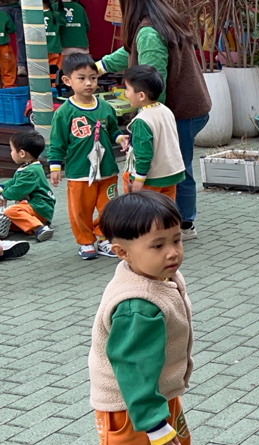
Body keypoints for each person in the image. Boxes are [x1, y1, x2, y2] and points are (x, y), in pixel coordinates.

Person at [90, 191, 216, 445]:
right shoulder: (137, 303)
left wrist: (161, 417)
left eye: (176, 239)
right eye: (158, 245)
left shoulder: (161, 276)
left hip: (159, 393)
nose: (172, 252)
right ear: (122, 252)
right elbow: (132, 368)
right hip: (129, 405)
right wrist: (152, 422)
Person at [97, 0, 212, 241]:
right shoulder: (163, 20)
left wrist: (146, 121)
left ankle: (182, 224)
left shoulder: (149, 31)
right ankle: (178, 221)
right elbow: (132, 52)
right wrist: (100, 66)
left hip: (179, 111)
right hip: (188, 108)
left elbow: (152, 79)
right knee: (178, 165)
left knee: (178, 168)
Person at [49, 53, 123, 260]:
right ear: (67, 80)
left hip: (107, 169)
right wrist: (55, 167)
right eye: (81, 78)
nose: (89, 83)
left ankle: (104, 238)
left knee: (108, 207)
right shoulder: (64, 112)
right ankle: (85, 241)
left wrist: (121, 139)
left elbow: (114, 131)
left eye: (93, 78)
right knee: (80, 209)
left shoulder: (106, 107)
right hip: (79, 171)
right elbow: (57, 142)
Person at [119, 65, 185, 200]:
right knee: (166, 208)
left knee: (140, 210)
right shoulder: (165, 110)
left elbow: (144, 153)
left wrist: (139, 178)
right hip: (171, 173)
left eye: (127, 89)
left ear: (141, 95)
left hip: (150, 178)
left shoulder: (141, 120)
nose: (126, 94)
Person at [1, 130, 55, 242]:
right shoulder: (28, 167)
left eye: (12, 150)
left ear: (22, 153)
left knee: (11, 212)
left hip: (40, 207)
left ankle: (39, 228)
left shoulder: (31, 171)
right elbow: (13, 182)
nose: (11, 153)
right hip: (34, 207)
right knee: (10, 218)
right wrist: (1, 188)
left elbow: (16, 192)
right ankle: (27, 226)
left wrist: (4, 195)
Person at [0, 0, 27, 76]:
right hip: (9, 6)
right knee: (20, 38)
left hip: (15, 6)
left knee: (21, 38)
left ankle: (21, 65)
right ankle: (21, 65)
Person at [43, 0, 63, 83]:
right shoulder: (55, 14)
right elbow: (64, 22)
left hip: (40, 50)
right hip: (55, 48)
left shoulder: (35, 16)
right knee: (55, 73)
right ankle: (55, 88)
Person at [0, 7, 15, 88]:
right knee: (7, 67)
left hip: (4, 45)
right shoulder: (3, 14)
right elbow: (12, 29)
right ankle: (9, 87)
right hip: (3, 45)